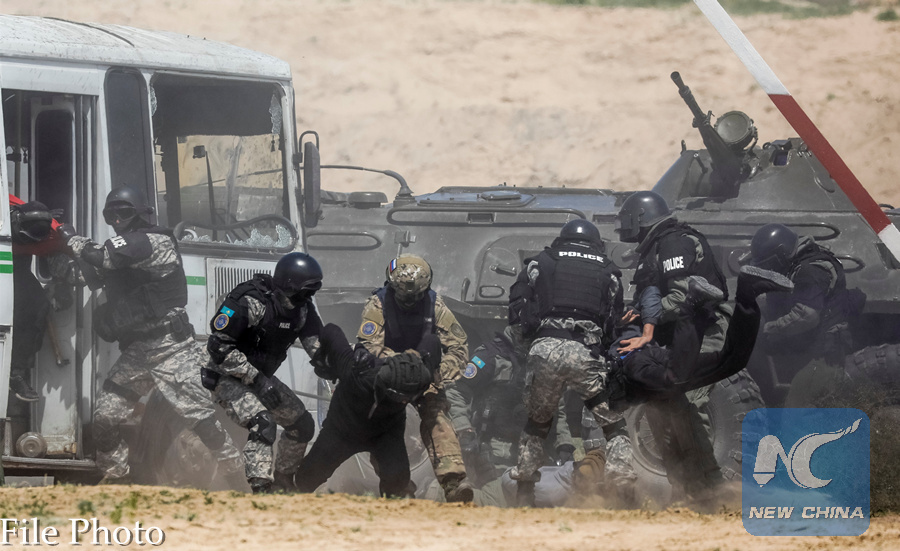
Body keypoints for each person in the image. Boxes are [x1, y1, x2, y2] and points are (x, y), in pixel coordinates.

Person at [59, 186, 242, 484]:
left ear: (140, 213)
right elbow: (83, 274)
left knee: (203, 422)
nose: (117, 220)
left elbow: (101, 256)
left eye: (123, 213)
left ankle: (238, 479)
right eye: (110, 214)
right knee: (105, 418)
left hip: (172, 348)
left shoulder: (154, 241)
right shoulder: (124, 254)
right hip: (138, 352)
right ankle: (117, 479)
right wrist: (52, 251)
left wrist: (70, 238)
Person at [614, 190, 728, 503]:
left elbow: (681, 299)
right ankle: (683, 492)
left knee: (688, 411)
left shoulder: (673, 243)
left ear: (641, 218)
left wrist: (643, 315)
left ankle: (714, 493)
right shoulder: (656, 246)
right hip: (674, 340)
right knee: (662, 414)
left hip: (699, 336)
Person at [508, 219, 632, 507]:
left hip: (545, 348)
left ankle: (524, 493)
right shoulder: (608, 270)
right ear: (596, 243)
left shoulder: (540, 262)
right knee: (613, 426)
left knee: (537, 425)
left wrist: (528, 347)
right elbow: (614, 320)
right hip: (585, 351)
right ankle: (624, 493)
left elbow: (517, 309)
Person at [203, 251, 324, 494]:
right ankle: (261, 492)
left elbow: (317, 346)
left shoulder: (302, 310)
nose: (308, 298)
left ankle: (283, 482)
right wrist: (257, 379)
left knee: (302, 425)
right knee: (263, 422)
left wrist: (337, 366)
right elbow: (219, 348)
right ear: (289, 286)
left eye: (312, 292)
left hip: (260, 379)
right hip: (225, 377)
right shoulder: (249, 301)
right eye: (305, 292)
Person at [356, 253, 474, 502]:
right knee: (379, 429)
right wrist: (400, 365)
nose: (409, 302)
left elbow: (459, 347)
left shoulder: (435, 305)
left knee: (437, 417)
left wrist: (438, 372)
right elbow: (368, 345)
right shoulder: (378, 304)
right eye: (403, 296)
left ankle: (453, 482)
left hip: (425, 375)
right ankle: (398, 487)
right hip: (388, 373)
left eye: (415, 296)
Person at [296, 323, 437, 497]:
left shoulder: (420, 379)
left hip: (386, 433)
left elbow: (433, 341)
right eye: (403, 399)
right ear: (390, 390)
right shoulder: (357, 372)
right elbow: (331, 330)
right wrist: (324, 359)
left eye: (409, 398)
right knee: (307, 477)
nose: (406, 402)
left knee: (397, 480)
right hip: (342, 430)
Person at [445, 325, 575, 505]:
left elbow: (557, 408)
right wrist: (464, 430)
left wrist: (564, 444)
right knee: (501, 501)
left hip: (539, 453)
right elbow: (457, 392)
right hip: (496, 453)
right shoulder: (490, 357)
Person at [746, 224, 864, 407]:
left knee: (795, 411)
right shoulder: (797, 266)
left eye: (770, 264)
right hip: (810, 349)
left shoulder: (810, 271)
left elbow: (807, 316)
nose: (769, 270)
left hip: (824, 354)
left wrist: (768, 328)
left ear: (782, 254)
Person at [8, 197, 62, 402]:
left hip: (17, 268)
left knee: (37, 305)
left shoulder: (53, 231)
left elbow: (67, 249)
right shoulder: (6, 207)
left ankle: (16, 373)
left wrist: (63, 283)